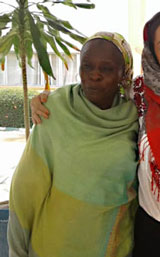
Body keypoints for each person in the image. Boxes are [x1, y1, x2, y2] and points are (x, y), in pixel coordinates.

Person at [30, 9, 160, 257]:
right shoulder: (140, 95)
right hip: (149, 232)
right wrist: (49, 100)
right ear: (153, 53)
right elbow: (93, 89)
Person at [8, 32, 139, 257]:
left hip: (113, 247)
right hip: (52, 247)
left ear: (123, 74)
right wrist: (17, 251)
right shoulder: (54, 111)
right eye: (86, 66)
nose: (94, 75)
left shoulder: (136, 119)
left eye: (106, 69)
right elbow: (25, 191)